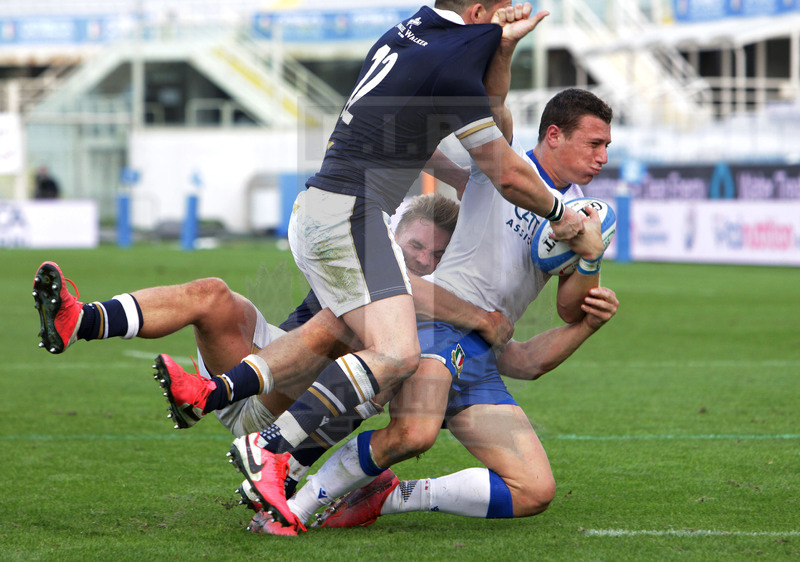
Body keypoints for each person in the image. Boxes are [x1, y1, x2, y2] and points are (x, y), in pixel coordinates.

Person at [182, 2, 595, 534]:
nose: (603, 155)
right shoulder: (501, 152)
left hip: (474, 344)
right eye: (595, 142)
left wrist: (589, 268)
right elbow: (501, 141)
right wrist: (559, 215)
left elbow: (555, 325)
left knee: (534, 489)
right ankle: (277, 468)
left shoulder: (589, 212)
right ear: (556, 135)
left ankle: (368, 489)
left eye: (607, 144)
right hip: (409, 284)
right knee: (399, 398)